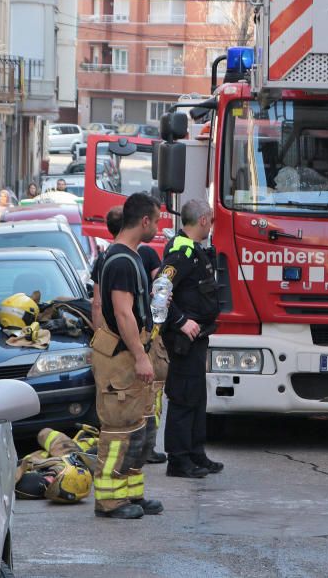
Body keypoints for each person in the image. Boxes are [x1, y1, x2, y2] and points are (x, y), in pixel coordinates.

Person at [92, 192, 162, 520]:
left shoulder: (128, 256)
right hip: (121, 358)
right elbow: (123, 314)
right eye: (156, 221)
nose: (158, 228)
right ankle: (109, 501)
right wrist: (140, 356)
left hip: (130, 356)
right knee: (119, 432)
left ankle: (132, 494)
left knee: (138, 429)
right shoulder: (121, 261)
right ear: (144, 221)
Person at [159, 200, 223, 478]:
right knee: (184, 396)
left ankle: (196, 454)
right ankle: (178, 460)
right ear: (204, 220)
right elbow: (160, 290)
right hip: (184, 338)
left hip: (198, 337)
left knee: (197, 396)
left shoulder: (194, 250)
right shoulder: (181, 251)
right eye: (211, 219)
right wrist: (181, 321)